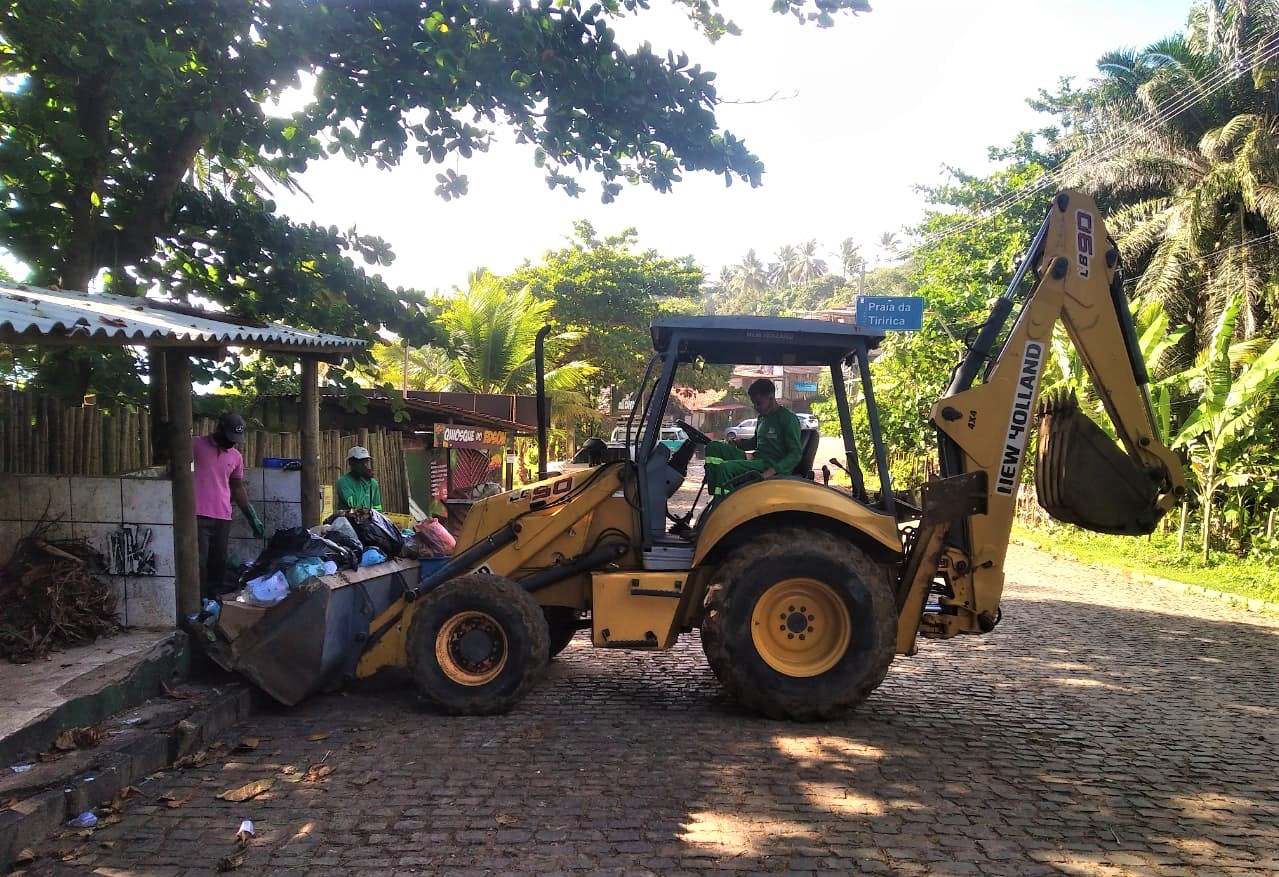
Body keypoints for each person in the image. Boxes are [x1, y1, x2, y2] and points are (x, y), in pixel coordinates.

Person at [194, 412, 264, 600]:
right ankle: (197, 602)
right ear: (219, 429)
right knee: (198, 562)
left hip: (223, 516)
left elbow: (237, 487)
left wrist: (251, 516)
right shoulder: (196, 445)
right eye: (229, 437)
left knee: (219, 562)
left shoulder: (236, 457)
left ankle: (213, 600)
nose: (232, 442)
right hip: (198, 514)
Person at [704, 378, 803, 496]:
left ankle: (722, 505)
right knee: (713, 447)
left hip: (770, 465)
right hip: (757, 460)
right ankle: (716, 491)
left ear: (771, 398)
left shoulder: (788, 418)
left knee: (725, 468)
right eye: (754, 403)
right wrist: (739, 443)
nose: (756, 407)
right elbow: (756, 442)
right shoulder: (762, 418)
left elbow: (795, 454)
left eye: (759, 403)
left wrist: (772, 471)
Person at [336, 445, 383, 512]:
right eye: (361, 462)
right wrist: (365, 482)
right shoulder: (343, 482)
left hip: (369, 521)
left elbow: (377, 508)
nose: (365, 465)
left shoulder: (373, 483)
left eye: (366, 461)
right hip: (348, 520)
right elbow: (354, 504)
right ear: (351, 463)